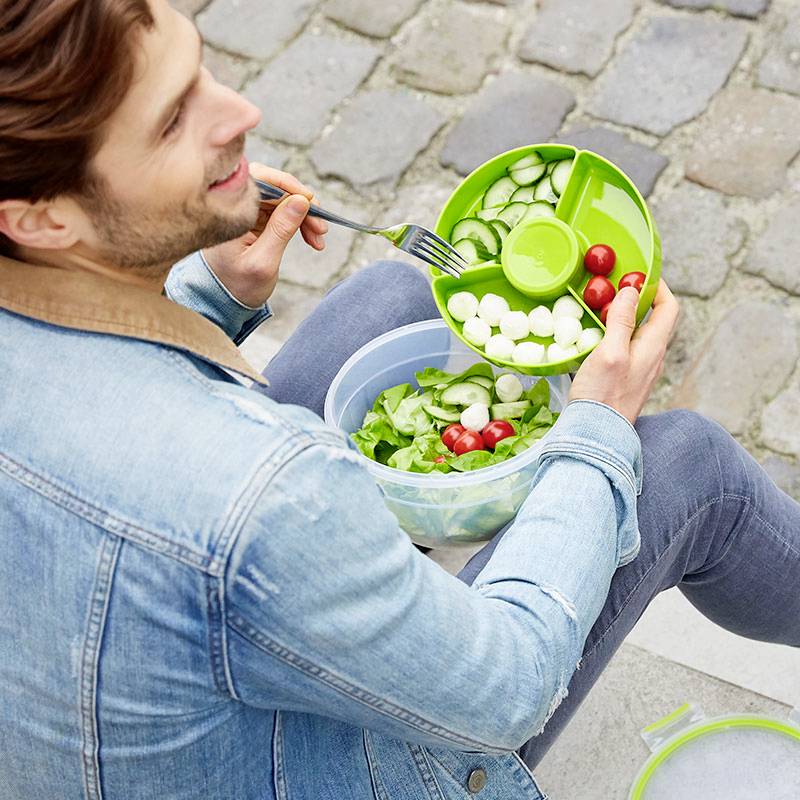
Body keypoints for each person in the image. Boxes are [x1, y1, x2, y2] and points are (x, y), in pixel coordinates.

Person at [0, 1, 797, 798]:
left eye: (202, 69)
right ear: (41, 217)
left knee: (391, 295)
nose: (241, 112)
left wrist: (205, 295)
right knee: (689, 467)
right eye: (173, 121)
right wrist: (597, 428)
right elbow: (510, 684)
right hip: (355, 768)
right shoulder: (274, 497)